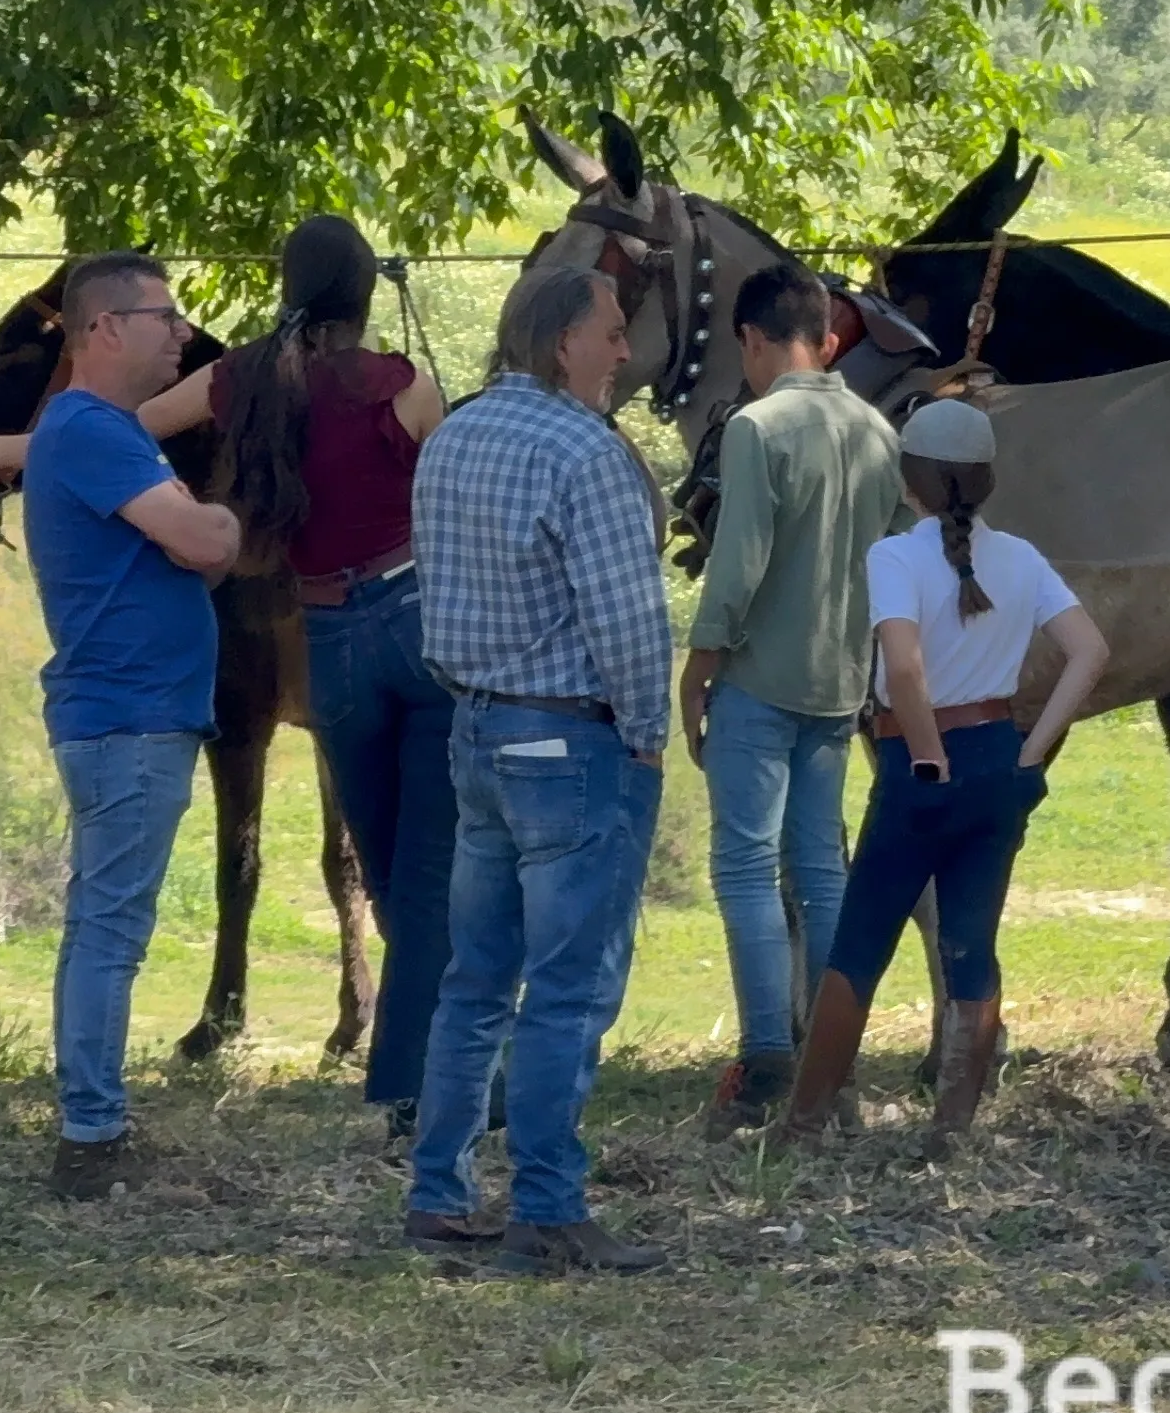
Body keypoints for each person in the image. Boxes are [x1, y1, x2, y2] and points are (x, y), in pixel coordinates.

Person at [0, 219, 454, 1145]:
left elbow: (90, 441)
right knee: (424, 867)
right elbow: (451, 505)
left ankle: (398, 1079)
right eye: (160, 315)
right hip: (404, 621)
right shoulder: (408, 388)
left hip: (310, 639)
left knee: (341, 852)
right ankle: (434, 1081)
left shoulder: (232, 380)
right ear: (367, 296)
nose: (176, 329)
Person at [0, 251, 238, 1200]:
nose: (181, 332)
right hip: (132, 720)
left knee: (103, 924)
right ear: (104, 331)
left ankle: (92, 1129)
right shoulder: (99, 434)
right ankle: (91, 1138)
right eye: (164, 316)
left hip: (122, 718)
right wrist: (214, 520)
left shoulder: (80, 427)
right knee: (109, 931)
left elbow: (53, 462)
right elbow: (205, 541)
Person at [403, 258, 672, 1276]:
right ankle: (550, 1205)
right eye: (609, 332)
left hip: (476, 726)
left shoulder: (455, 435)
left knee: (474, 979)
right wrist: (645, 731)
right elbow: (628, 621)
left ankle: (439, 1189)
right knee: (567, 987)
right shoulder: (586, 452)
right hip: (571, 737)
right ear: (565, 344)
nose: (621, 349)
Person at [780, 397, 1108, 1152]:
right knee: (972, 942)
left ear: (910, 480)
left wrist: (926, 756)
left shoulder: (894, 557)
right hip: (998, 755)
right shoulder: (1021, 558)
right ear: (987, 481)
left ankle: (802, 1124)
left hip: (915, 759)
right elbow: (1089, 651)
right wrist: (1031, 750)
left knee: (862, 939)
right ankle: (953, 1127)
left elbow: (903, 666)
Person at [679, 263, 902, 1137]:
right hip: (839, 680)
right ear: (831, 339)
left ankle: (767, 1057)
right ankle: (832, 1066)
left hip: (761, 677)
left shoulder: (755, 428)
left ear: (752, 340)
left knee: (744, 867)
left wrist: (699, 665)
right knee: (822, 870)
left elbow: (735, 567)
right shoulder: (879, 430)